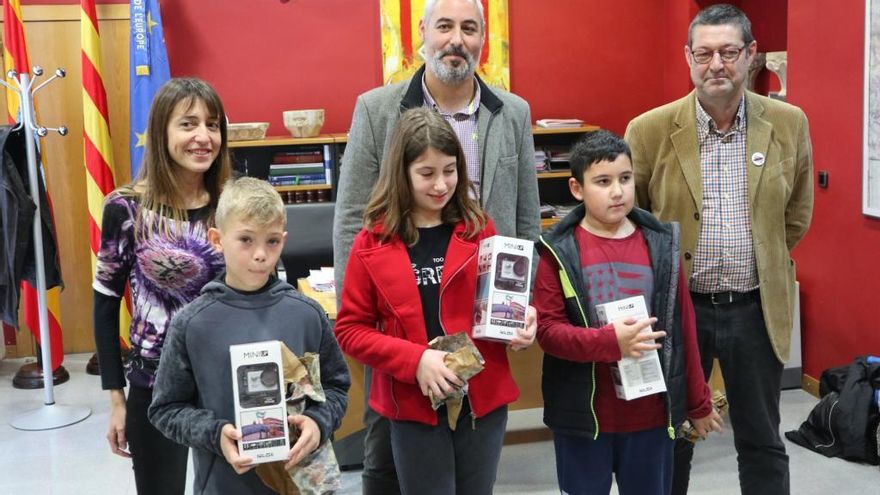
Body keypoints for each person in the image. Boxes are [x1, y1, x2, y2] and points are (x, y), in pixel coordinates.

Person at [333, 1, 539, 491]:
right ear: (421, 35)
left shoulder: (513, 112)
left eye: (469, 28)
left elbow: (527, 220)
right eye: (444, 26)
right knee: (385, 463)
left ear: (482, 39)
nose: (456, 39)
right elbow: (349, 221)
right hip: (401, 328)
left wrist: (522, 302)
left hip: (480, 323)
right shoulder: (376, 108)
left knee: (471, 468)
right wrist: (368, 330)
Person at [624, 4, 814, 494]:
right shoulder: (649, 130)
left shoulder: (789, 123)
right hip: (677, 312)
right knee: (673, 437)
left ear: (750, 55)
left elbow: (797, 212)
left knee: (762, 440)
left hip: (754, 307)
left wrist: (765, 257)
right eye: (704, 53)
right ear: (688, 57)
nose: (716, 65)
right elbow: (634, 219)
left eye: (729, 52)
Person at [533, 130, 722, 495]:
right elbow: (548, 332)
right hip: (584, 417)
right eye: (602, 182)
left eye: (624, 178)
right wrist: (609, 342)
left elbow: (683, 326)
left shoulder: (662, 242)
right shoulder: (555, 250)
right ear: (576, 188)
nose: (617, 191)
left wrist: (697, 401)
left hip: (650, 416)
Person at [148, 177, 351, 494]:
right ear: (217, 239)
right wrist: (215, 434)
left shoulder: (307, 315)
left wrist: (319, 421)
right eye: (246, 240)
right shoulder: (192, 324)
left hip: (301, 482)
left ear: (284, 240)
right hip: (225, 484)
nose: (260, 254)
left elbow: (337, 387)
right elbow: (166, 409)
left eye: (272, 242)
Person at [92, 77, 231, 495]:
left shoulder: (234, 201)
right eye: (188, 124)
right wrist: (117, 401)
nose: (203, 137)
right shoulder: (127, 207)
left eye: (212, 124)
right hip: (156, 383)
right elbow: (105, 305)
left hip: (226, 379)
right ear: (161, 133)